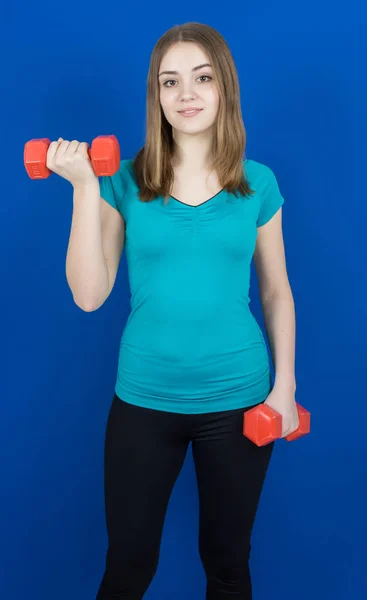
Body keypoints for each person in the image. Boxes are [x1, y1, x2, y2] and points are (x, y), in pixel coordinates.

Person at [47, 21, 299, 600]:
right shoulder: (125, 180)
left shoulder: (257, 184)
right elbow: (89, 295)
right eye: (170, 81)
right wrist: (86, 188)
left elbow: (277, 291)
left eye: (202, 78)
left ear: (224, 88)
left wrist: (283, 387)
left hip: (240, 402)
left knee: (229, 567)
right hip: (144, 401)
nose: (186, 94)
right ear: (156, 96)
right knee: (128, 568)